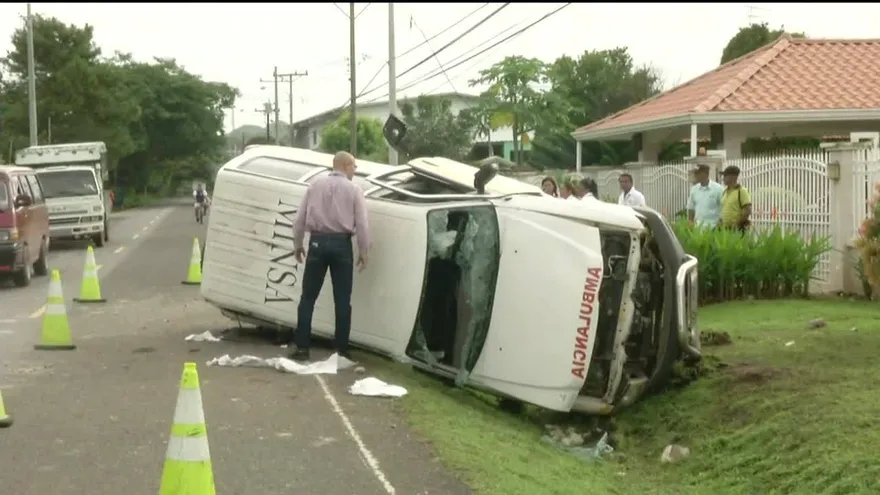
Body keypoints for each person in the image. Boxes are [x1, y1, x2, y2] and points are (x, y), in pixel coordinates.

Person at [291, 151, 371, 361]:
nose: (355, 170)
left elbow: (299, 220)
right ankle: (341, 350)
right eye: (354, 166)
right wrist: (363, 250)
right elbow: (362, 223)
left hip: (317, 242)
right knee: (343, 299)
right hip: (341, 244)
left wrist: (298, 244)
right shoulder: (354, 190)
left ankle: (302, 348)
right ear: (345, 165)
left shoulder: (314, 186)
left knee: (308, 297)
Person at [720, 165, 752, 232]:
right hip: (725, 229)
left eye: (725, 176)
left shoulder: (741, 191)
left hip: (737, 229)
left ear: (732, 177)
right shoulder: (725, 192)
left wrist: (737, 223)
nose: (723, 178)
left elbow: (747, 210)